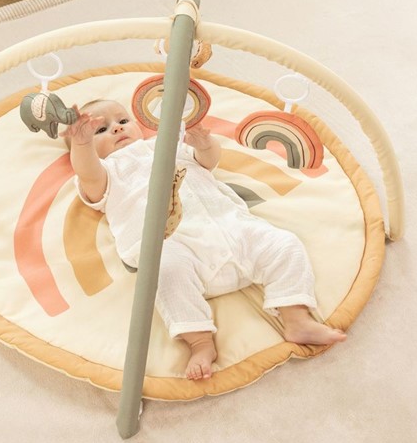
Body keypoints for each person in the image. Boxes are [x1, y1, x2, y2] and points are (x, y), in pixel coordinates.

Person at [64, 99, 346, 381]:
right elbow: (87, 171)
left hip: (230, 228)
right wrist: (81, 144)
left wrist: (203, 144)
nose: (116, 129)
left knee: (284, 244)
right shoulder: (106, 172)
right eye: (101, 130)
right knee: (163, 271)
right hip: (173, 245)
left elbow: (208, 161)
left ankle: (296, 318)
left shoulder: (165, 145)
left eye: (123, 121)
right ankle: (200, 343)